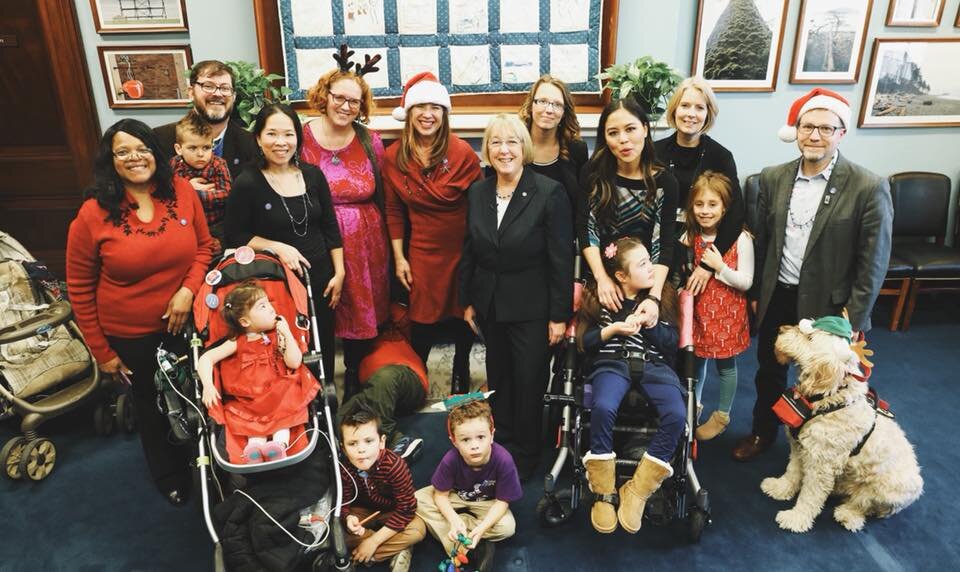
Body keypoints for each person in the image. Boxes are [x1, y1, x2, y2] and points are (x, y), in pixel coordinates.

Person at [732, 88, 893, 462]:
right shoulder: (772, 179)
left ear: (841, 133)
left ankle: (819, 447)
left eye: (825, 128)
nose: (815, 135)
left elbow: (874, 262)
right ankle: (762, 433)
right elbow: (762, 241)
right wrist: (757, 291)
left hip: (832, 306)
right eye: (807, 126)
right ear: (796, 129)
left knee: (826, 382)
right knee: (769, 373)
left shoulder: (868, 187)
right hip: (778, 295)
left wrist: (853, 317)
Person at [66, 118, 213, 505]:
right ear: (110, 160)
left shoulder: (181, 191)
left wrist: (187, 291)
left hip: (188, 321)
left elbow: (204, 248)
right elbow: (79, 288)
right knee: (154, 405)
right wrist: (103, 352)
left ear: (156, 152)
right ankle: (169, 475)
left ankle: (207, 465)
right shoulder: (92, 215)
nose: (135, 157)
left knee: (198, 395)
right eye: (123, 151)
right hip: (130, 335)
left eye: (142, 148)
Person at [460, 114, 573, 480]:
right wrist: (467, 301)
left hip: (532, 307)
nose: (504, 150)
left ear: (523, 148)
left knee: (528, 381)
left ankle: (526, 454)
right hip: (490, 304)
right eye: (495, 142)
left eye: (511, 142)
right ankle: (501, 442)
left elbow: (560, 258)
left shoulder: (547, 192)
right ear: (487, 150)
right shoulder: (478, 191)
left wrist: (559, 315)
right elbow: (470, 250)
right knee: (500, 378)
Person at [224, 103, 344, 389]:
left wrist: (339, 273)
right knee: (286, 349)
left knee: (322, 343)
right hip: (275, 285)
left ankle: (325, 409)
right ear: (258, 138)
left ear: (298, 139)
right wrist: (278, 247)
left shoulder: (313, 175)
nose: (281, 142)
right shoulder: (248, 182)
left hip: (321, 279)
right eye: (272, 134)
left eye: (288, 134)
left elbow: (330, 227)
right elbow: (236, 235)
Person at [576, 237, 684, 534]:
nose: (652, 269)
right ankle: (604, 490)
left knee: (677, 414)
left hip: (655, 366)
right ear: (621, 275)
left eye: (650, 260)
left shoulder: (660, 298)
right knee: (603, 406)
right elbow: (583, 343)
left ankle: (638, 490)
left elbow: (672, 345)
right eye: (643, 264)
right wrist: (610, 330)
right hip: (612, 364)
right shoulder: (602, 299)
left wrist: (651, 325)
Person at [383, 72, 481, 394]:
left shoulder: (462, 152)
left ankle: (461, 374)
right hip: (422, 251)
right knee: (422, 320)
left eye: (435, 107)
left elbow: (480, 207)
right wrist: (399, 258)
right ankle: (417, 380)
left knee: (461, 314)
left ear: (444, 113)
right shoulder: (393, 157)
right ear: (409, 114)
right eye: (420, 107)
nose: (428, 114)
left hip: (461, 247)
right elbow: (395, 211)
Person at [300, 52, 389, 401]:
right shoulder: (300, 136)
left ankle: (354, 374)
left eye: (355, 101)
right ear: (325, 96)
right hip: (317, 235)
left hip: (365, 238)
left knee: (361, 309)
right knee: (319, 305)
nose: (346, 106)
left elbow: (382, 192)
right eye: (339, 97)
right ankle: (317, 378)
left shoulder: (371, 141)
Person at [580, 98, 679, 328]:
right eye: (613, 133)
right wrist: (602, 279)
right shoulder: (592, 173)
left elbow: (662, 244)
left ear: (645, 129)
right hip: (602, 275)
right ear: (604, 137)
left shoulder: (665, 182)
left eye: (631, 129)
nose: (623, 139)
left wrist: (654, 297)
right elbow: (587, 230)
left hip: (647, 278)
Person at [197, 282, 320, 463]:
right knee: (249, 422)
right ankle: (253, 448)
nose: (271, 309)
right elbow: (206, 359)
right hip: (249, 400)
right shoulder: (236, 342)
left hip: (279, 393)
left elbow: (294, 362)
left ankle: (279, 445)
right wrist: (208, 385)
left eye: (269, 303)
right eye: (263, 306)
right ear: (245, 321)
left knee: (288, 400)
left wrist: (286, 333)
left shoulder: (277, 336)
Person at [654, 77, 744, 296]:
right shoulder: (654, 152)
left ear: (708, 114)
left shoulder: (721, 156)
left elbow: (736, 212)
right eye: (684, 106)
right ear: (674, 109)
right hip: (659, 246)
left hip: (704, 249)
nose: (691, 114)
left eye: (699, 108)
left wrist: (707, 265)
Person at [680, 172, 753, 440]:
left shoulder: (740, 239)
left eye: (712, 205)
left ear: (725, 207)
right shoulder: (691, 235)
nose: (705, 211)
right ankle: (693, 407)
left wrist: (720, 267)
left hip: (727, 312)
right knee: (696, 360)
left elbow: (746, 281)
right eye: (699, 204)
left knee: (725, 364)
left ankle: (722, 414)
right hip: (698, 311)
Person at [415, 400, 520, 572]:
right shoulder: (450, 459)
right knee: (416, 500)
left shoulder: (504, 460)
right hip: (455, 495)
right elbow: (440, 495)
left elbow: (502, 501)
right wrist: (454, 520)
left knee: (507, 527)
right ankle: (468, 539)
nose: (474, 446)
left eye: (481, 437)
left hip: (488, 501)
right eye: (465, 440)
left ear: (492, 435)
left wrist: (482, 528)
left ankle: (463, 539)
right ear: (454, 441)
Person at [338, 406, 426, 571]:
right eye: (352, 443)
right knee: (335, 536)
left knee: (418, 530)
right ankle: (392, 551)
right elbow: (343, 502)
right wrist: (348, 518)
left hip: (391, 511)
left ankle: (368, 552)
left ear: (382, 442)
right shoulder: (344, 468)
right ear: (343, 448)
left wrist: (373, 541)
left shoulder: (394, 465)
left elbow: (406, 509)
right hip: (362, 511)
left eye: (369, 441)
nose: (361, 449)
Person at [338, 303, 428, 461]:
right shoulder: (358, 345)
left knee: (385, 378)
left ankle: (391, 440)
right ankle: (368, 450)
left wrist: (376, 311)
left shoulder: (396, 331)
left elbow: (402, 313)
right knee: (340, 418)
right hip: (374, 393)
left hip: (405, 378)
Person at [154, 60, 258, 179]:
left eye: (225, 88)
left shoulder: (250, 143)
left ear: (233, 96)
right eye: (208, 86)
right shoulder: (160, 139)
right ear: (191, 92)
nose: (218, 94)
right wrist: (183, 189)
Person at [517, 74, 588, 211]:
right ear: (531, 105)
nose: (549, 110)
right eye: (542, 101)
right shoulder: (512, 147)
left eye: (557, 104)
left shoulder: (577, 149)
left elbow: (582, 205)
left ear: (564, 112)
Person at [170, 113, 232, 254]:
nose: (200, 154)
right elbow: (168, 192)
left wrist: (187, 192)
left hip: (215, 224)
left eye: (206, 148)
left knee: (215, 253)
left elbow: (227, 193)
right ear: (179, 149)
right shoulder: (174, 164)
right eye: (193, 148)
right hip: (186, 222)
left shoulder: (218, 164)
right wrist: (189, 189)